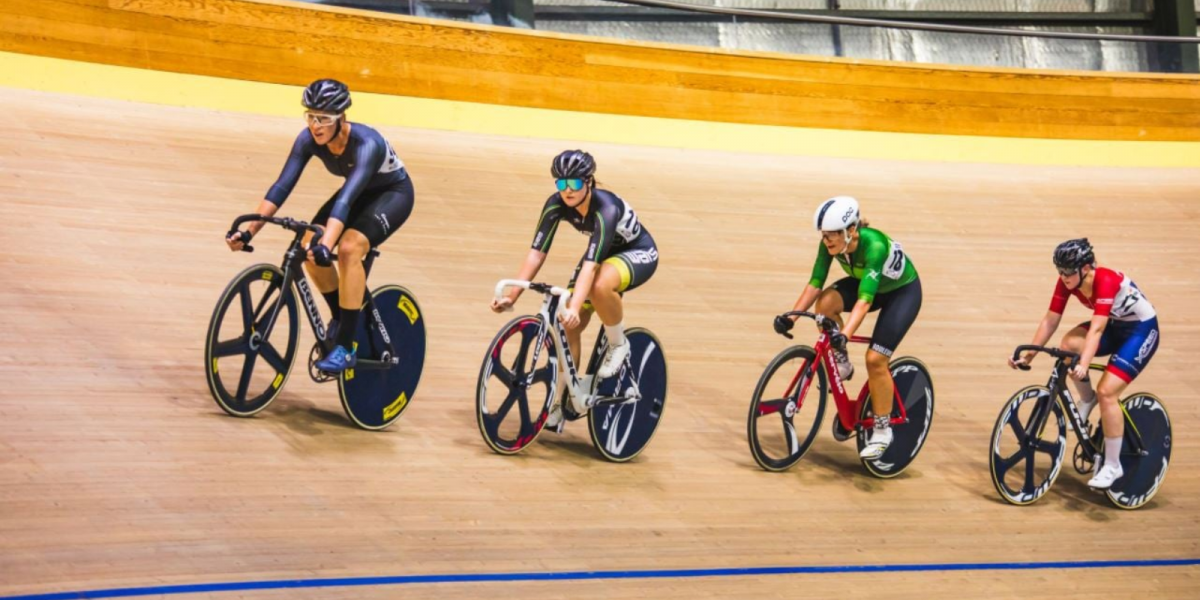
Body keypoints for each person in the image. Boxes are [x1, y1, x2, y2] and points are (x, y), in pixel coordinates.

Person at [226, 79, 414, 373]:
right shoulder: (307, 140)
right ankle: (342, 315)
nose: (316, 125)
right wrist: (249, 229)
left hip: (392, 195)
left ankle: (347, 346)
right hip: (356, 193)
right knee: (308, 246)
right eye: (311, 116)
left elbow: (346, 202)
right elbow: (281, 186)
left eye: (324, 118)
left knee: (350, 248)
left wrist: (328, 245)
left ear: (342, 119)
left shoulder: (367, 144)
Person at [489, 150, 659, 426]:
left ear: (589, 182)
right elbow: (536, 253)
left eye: (575, 184)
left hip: (637, 251)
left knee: (600, 285)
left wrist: (576, 307)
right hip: (602, 254)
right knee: (568, 328)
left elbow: (591, 267)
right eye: (561, 183)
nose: (567, 191)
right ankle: (562, 401)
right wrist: (513, 295)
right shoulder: (556, 205)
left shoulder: (606, 207)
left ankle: (619, 344)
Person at [775, 196, 922, 460]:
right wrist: (791, 317)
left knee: (876, 359)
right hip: (868, 284)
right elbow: (815, 283)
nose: (826, 241)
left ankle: (882, 429)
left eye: (832, 235)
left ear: (851, 231)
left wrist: (845, 334)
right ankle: (842, 364)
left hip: (901, 293)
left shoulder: (874, 246)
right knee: (825, 304)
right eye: (823, 235)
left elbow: (865, 302)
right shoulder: (830, 245)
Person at [1008, 238, 1159, 490]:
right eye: (1060, 270)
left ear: (1086, 268)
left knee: (1107, 392)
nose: (1063, 276)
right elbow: (1050, 320)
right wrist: (1029, 355)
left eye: (1068, 271)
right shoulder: (1068, 280)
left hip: (1140, 331)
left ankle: (1112, 465)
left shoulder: (1106, 281)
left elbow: (1097, 329)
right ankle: (1085, 399)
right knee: (1067, 346)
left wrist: (1084, 364)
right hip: (1116, 325)